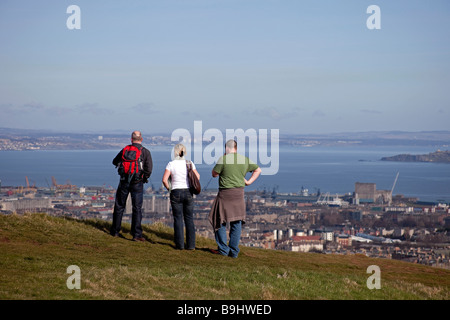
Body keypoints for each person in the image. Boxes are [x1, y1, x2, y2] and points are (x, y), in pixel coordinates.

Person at [209, 139, 261, 258]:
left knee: (219, 220)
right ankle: (233, 251)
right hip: (239, 193)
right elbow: (258, 170)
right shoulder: (244, 159)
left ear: (226, 148)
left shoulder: (224, 159)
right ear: (236, 149)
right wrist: (248, 182)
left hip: (225, 193)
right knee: (236, 222)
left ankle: (223, 249)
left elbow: (214, 174)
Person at [110, 131, 153, 241]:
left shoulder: (125, 150)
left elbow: (114, 161)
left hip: (124, 181)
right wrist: (144, 178)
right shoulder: (145, 152)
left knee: (119, 206)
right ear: (141, 139)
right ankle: (136, 234)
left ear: (131, 139)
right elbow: (149, 168)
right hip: (137, 182)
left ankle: (115, 231)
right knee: (136, 208)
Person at [162, 143, 200, 250]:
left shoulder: (171, 164)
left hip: (175, 191)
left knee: (178, 218)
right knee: (189, 218)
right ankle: (191, 245)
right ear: (184, 152)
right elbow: (197, 176)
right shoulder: (189, 163)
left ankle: (180, 245)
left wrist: (169, 189)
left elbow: (164, 180)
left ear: (175, 152)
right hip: (188, 192)